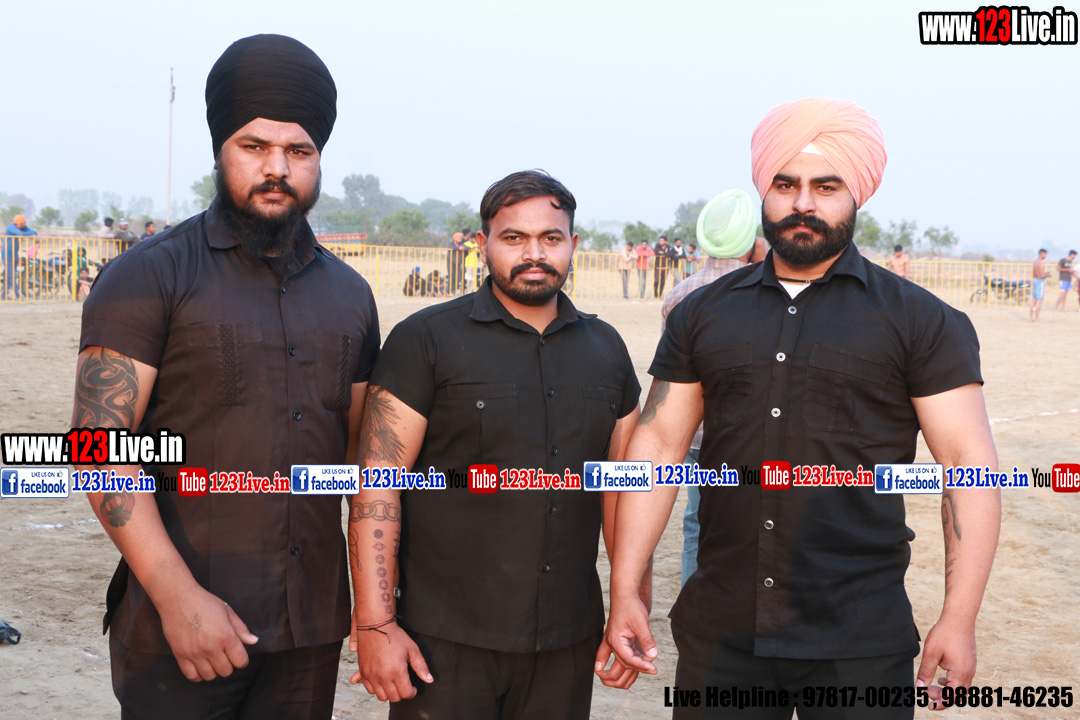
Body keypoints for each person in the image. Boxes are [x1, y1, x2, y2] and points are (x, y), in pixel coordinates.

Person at [602, 98, 1000, 719]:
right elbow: (657, 446)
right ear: (764, 190)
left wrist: (960, 616)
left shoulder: (922, 320)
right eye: (785, 185)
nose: (803, 202)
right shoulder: (703, 313)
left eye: (826, 186)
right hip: (722, 629)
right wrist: (626, 589)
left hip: (859, 635)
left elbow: (968, 466)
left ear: (856, 193)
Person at [72, 34, 380, 719]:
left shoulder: (352, 295)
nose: (277, 168)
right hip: (180, 629)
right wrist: (178, 598)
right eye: (254, 146)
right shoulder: (148, 275)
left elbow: (364, 460)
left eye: (299, 151)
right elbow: (96, 453)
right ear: (220, 150)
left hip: (309, 631)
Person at [348, 170, 645, 719]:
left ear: (574, 244)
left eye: (551, 238)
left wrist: (633, 602)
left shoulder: (607, 349)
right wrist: (375, 622)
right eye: (514, 238)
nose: (534, 254)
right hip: (443, 641)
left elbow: (626, 495)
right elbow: (376, 486)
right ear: (483, 244)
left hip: (566, 639)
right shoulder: (425, 339)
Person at [659, 189, 765, 587]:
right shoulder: (763, 291)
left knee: (697, 519)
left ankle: (694, 594)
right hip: (749, 433)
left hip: (695, 433)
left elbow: (672, 372)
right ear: (752, 242)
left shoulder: (679, 294)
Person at [3, 213, 37, 300]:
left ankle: (3, 295)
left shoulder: (23, 228)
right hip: (7, 256)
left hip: (15, 256)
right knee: (11, 276)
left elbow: (34, 232)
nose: (25, 224)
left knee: (9, 276)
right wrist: (29, 235)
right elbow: (21, 234)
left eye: (25, 223)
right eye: (23, 223)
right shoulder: (11, 228)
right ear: (18, 223)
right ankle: (18, 295)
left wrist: (29, 233)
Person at [1030, 248, 1051, 322]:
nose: (1046, 256)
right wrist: (1047, 275)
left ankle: (1031, 318)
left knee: (1034, 300)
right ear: (1041, 254)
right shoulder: (1041, 263)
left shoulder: (1035, 262)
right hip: (1040, 282)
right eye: (1045, 254)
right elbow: (1041, 275)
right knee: (1039, 300)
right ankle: (1037, 319)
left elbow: (1034, 274)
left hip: (1035, 281)